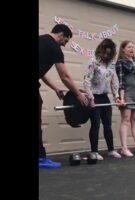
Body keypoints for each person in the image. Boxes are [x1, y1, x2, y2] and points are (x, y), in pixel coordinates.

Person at [39, 24, 88, 168]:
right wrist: (78, 94)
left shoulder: (40, 40)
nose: (65, 44)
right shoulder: (55, 48)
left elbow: (41, 73)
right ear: (61, 34)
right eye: (66, 41)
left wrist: (56, 89)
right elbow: (65, 76)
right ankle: (40, 159)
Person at [83, 38, 122, 160]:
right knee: (95, 125)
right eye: (104, 52)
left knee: (108, 125)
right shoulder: (93, 62)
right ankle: (94, 152)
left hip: (105, 98)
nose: (106, 55)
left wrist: (116, 97)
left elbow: (114, 82)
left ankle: (111, 150)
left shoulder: (111, 65)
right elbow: (86, 81)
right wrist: (91, 98)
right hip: (94, 97)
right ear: (101, 50)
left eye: (109, 53)